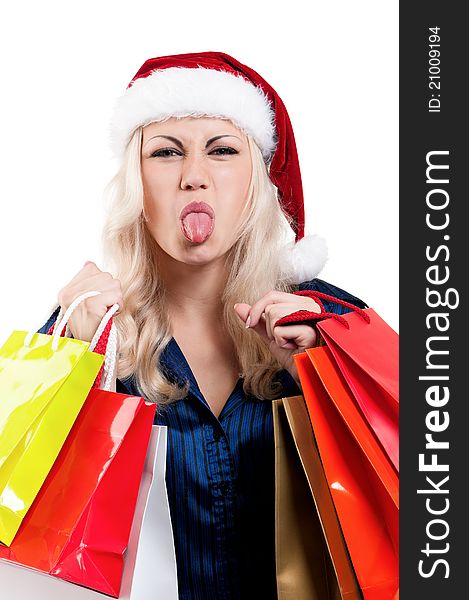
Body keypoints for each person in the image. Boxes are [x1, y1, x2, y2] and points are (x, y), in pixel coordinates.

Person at [38, 52, 367, 600]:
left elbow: (426, 503)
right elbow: (24, 520)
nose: (194, 177)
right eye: (166, 153)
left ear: (256, 182)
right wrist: (65, 360)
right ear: (136, 184)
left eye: (222, 151)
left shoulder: (331, 326)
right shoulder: (90, 331)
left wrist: (327, 377)